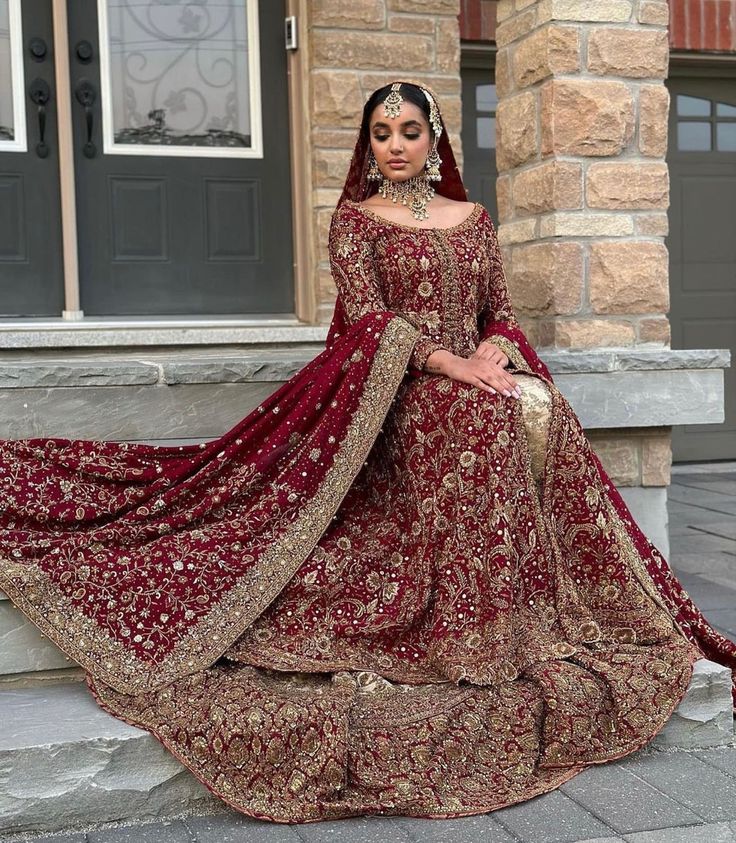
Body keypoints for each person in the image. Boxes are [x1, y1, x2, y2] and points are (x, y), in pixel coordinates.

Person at [0, 80, 734, 825]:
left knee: (541, 408)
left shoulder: (475, 219)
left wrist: (492, 349)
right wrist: (454, 366)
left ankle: (532, 610)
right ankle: (471, 636)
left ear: (435, 138)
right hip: (399, 388)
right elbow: (368, 319)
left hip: (474, 375)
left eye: (409, 131)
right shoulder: (356, 221)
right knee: (474, 418)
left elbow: (503, 313)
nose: (395, 145)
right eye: (381, 133)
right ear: (369, 143)